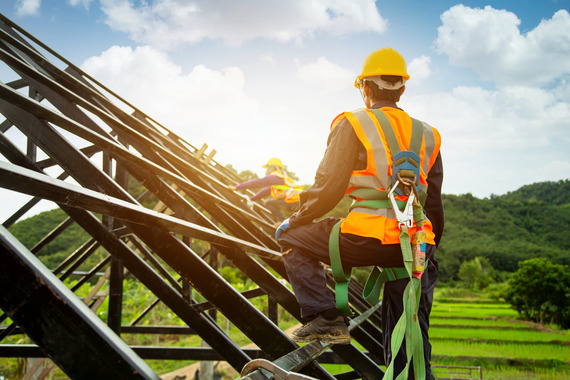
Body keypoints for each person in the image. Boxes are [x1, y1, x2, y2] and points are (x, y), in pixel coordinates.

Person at [275, 47, 443, 379]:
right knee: (411, 337)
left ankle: (327, 317)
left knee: (289, 236)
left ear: (364, 87)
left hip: (365, 237)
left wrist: (294, 220)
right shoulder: (429, 134)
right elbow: (434, 204)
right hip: (415, 243)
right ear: (402, 89)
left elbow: (328, 188)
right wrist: (426, 251)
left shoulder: (353, 122)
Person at [229, 158, 301, 222]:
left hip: (294, 202)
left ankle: (281, 221)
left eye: (267, 168)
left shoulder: (274, 177)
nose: (266, 170)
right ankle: (282, 222)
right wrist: (252, 199)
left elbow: (255, 183)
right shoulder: (281, 179)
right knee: (272, 203)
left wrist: (236, 187)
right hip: (300, 204)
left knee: (268, 203)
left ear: (272, 168)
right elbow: (265, 192)